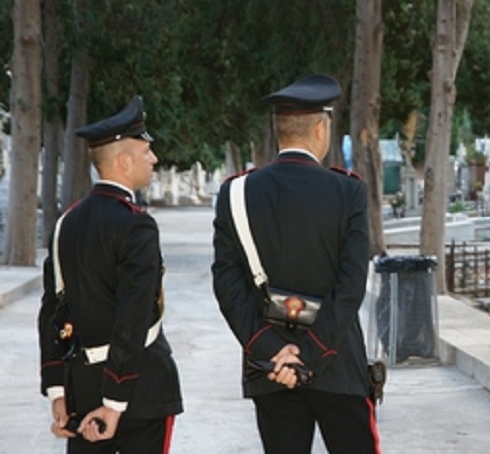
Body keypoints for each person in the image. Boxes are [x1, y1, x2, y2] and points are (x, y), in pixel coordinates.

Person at [212, 74, 380, 454]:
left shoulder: (236, 193)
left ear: (279, 131)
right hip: (337, 361)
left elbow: (227, 283)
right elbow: (352, 283)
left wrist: (272, 349)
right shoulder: (348, 191)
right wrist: (312, 351)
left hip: (270, 369)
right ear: (321, 128)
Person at [38, 96, 183, 453]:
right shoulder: (136, 224)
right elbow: (133, 316)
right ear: (123, 161)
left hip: (82, 390)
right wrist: (115, 401)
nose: (154, 159)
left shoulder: (66, 224)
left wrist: (58, 391)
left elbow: (52, 313)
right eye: (147, 151)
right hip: (140, 391)